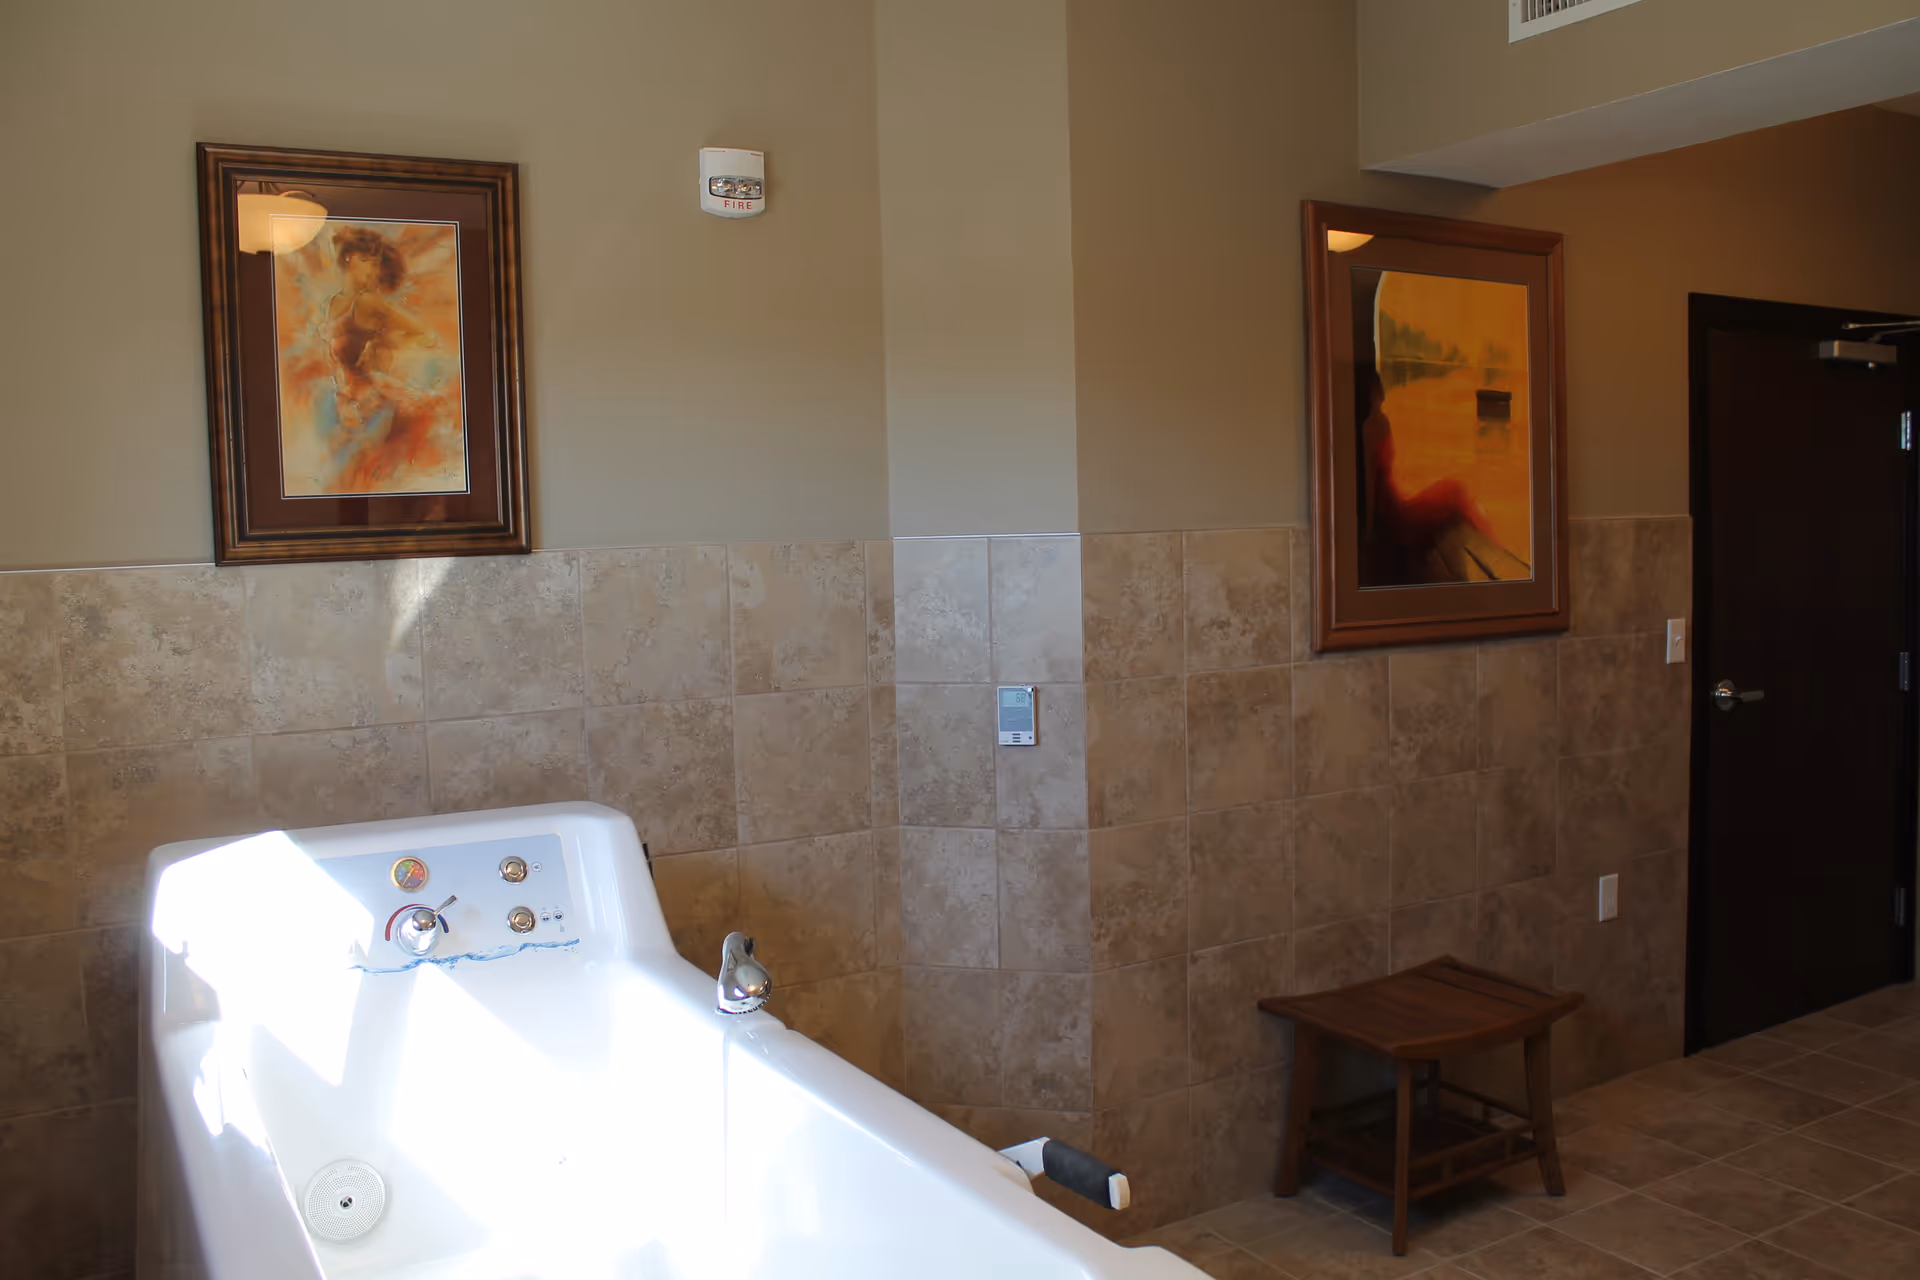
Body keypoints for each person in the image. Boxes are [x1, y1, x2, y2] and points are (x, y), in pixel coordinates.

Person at [319, 227, 443, 493]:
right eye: (366, 262)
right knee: (341, 478)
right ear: (349, 259)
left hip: (369, 399)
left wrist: (386, 344)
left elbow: (425, 334)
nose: (372, 271)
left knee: (360, 477)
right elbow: (332, 356)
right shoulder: (333, 304)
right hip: (342, 397)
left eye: (376, 264)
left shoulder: (369, 302)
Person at [1357, 367, 1503, 583]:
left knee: (1455, 492)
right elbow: (1372, 479)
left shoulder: (1370, 426)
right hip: (1397, 516)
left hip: (1392, 511)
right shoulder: (1377, 423)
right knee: (1456, 491)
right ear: (1374, 390)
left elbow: (1375, 477)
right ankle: (1496, 554)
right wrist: (1369, 533)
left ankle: (1493, 553)